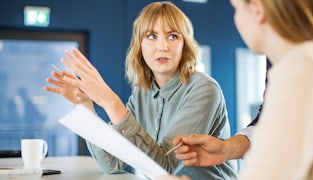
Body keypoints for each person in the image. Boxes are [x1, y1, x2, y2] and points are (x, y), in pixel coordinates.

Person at [43, 1, 237, 179]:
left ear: (184, 45)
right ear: (140, 46)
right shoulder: (142, 92)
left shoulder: (204, 90)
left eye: (173, 36)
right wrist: (86, 105)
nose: (163, 47)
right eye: (152, 36)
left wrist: (111, 103)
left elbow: (167, 167)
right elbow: (111, 163)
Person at [157, 0, 313, 179]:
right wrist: (227, 149)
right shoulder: (304, 63)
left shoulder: (300, 71)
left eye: (236, 9)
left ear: (257, 10)